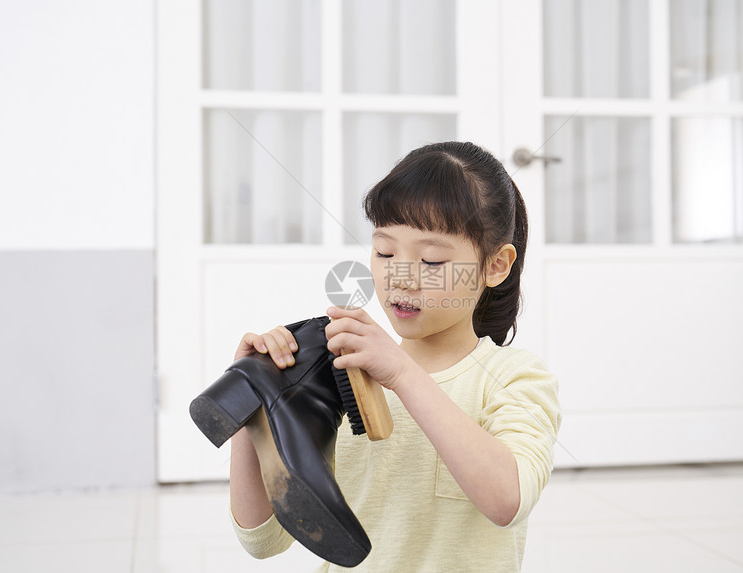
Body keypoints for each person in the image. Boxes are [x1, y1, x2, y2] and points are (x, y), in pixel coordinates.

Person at [228, 141, 562, 572]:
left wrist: (403, 374)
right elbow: (264, 538)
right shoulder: (345, 374)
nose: (400, 277)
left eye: (432, 260)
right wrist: (249, 402)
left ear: (495, 266)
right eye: (385, 252)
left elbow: (507, 499)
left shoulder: (515, 377)